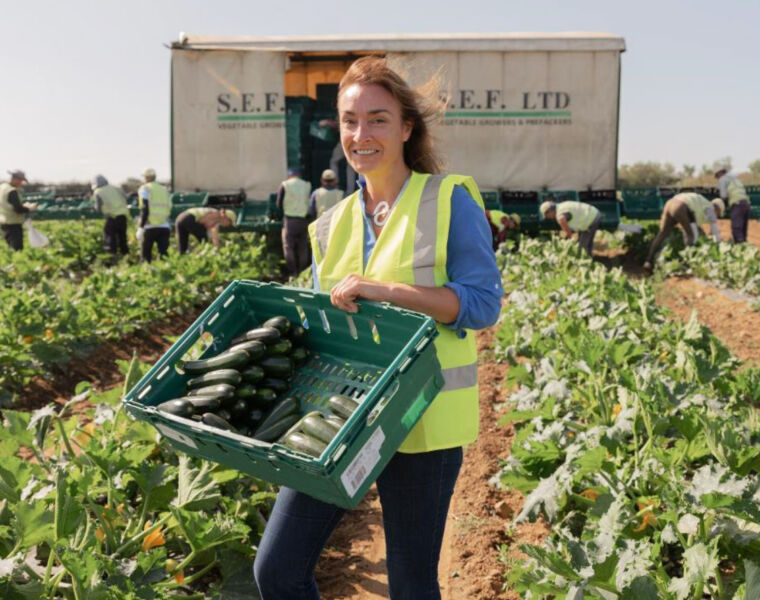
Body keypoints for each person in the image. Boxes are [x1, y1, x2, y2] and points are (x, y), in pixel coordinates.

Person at [254, 56, 502, 600]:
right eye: (349, 120)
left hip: (422, 420)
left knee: (411, 585)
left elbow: (483, 304)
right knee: (276, 570)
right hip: (340, 416)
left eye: (378, 119)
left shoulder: (447, 200)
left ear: (407, 128)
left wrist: (381, 288)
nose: (360, 134)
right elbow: (326, 326)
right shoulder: (330, 223)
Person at [643, 193, 724, 272]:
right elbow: (715, 230)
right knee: (691, 236)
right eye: (718, 214)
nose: (717, 216)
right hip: (681, 206)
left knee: (662, 234)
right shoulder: (710, 208)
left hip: (670, 204)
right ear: (717, 209)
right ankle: (688, 263)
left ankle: (648, 261)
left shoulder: (701, 203)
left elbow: (693, 222)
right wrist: (719, 245)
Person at [276, 167, 312, 277]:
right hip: (303, 219)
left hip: (290, 220)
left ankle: (293, 272)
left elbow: (279, 203)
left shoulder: (285, 185)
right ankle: (303, 272)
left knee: (288, 246)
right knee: (303, 247)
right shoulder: (307, 185)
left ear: (290, 175)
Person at [137, 168, 172, 262]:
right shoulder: (163, 189)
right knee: (164, 256)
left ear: (146, 178)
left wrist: (141, 227)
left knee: (145, 257)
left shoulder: (145, 188)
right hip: (164, 226)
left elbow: (145, 208)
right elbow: (169, 207)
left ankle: (145, 275)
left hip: (150, 226)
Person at [91, 174, 129, 256]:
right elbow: (125, 199)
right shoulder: (117, 188)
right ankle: (125, 256)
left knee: (110, 238)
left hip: (112, 217)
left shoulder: (98, 192)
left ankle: (112, 257)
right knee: (123, 238)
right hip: (123, 216)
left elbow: (98, 207)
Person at [0, 169, 37, 251]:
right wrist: (29, 208)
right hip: (13, 222)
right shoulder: (12, 191)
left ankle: (11, 262)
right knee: (16, 248)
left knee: (10, 246)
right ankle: (16, 263)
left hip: (4, 221)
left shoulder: (2, 187)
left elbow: (7, 204)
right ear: (15, 179)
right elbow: (18, 209)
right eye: (21, 181)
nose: (21, 183)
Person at [715, 167, 751, 243]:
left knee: (736, 229)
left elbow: (723, 196)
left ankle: (739, 248)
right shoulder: (735, 179)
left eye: (717, 176)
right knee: (743, 230)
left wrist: (722, 207)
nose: (717, 179)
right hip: (745, 204)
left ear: (720, 173)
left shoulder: (723, 179)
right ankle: (744, 248)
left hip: (737, 204)